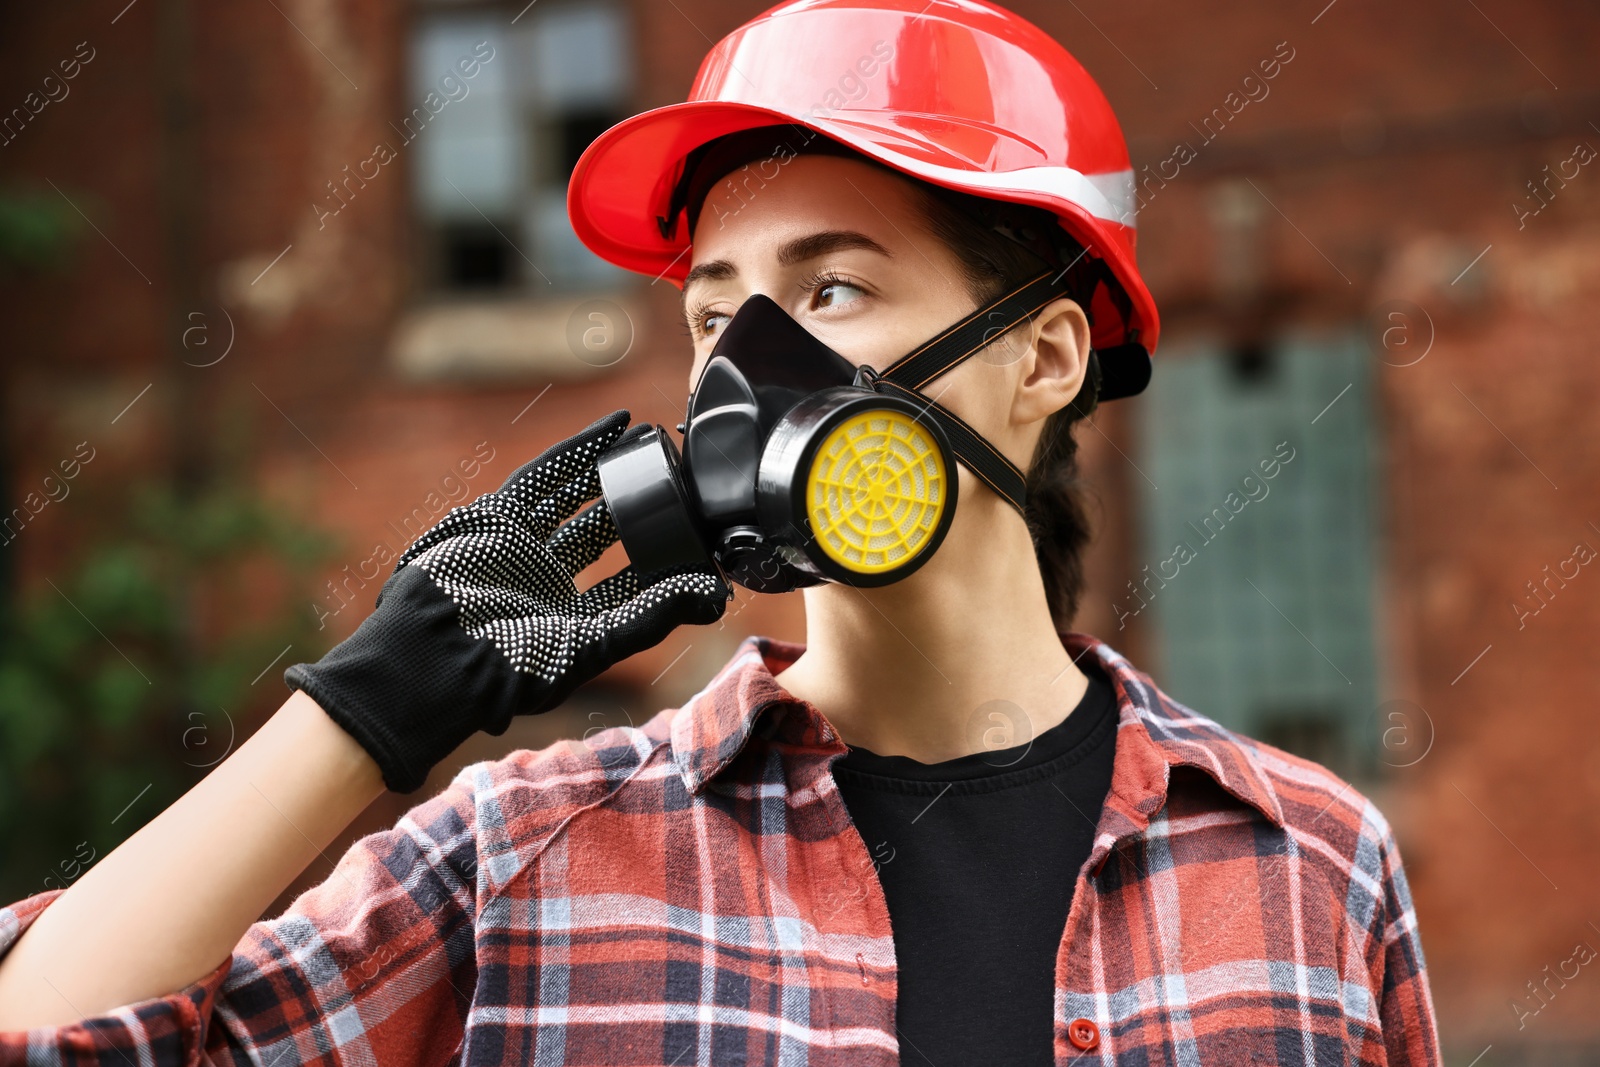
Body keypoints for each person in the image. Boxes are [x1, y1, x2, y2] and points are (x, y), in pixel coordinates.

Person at [0, 1, 1442, 1063]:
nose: (748, 366)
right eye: (713, 316)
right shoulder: (532, 855)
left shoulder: (1308, 868)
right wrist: (373, 704)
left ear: (1046, 358)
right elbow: (51, 1037)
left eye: (831, 295)